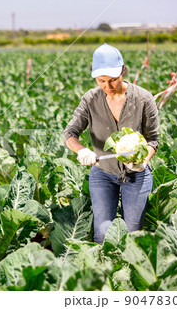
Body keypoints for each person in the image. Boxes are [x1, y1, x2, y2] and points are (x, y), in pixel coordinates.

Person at [62, 43, 159, 244]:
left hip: (137, 175)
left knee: (132, 233)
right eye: (101, 81)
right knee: (102, 233)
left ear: (123, 70)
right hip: (102, 174)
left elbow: (153, 140)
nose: (108, 87)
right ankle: (104, 273)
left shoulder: (143, 99)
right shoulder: (90, 100)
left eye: (113, 80)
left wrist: (143, 160)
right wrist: (81, 151)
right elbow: (69, 134)